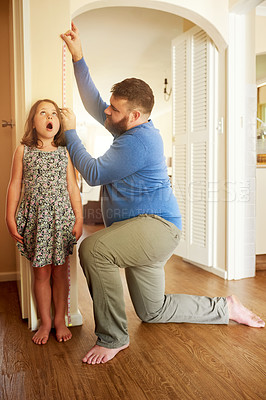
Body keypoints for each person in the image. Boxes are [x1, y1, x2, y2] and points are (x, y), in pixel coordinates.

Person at [60, 23, 265, 365]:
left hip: (155, 228)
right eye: (111, 106)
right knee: (153, 310)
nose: (106, 112)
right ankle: (224, 307)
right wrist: (79, 58)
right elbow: (94, 101)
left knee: (94, 249)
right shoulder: (126, 124)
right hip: (142, 230)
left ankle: (113, 337)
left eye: (115, 110)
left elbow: (93, 173)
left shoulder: (139, 141)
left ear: (135, 115)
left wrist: (70, 133)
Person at [6, 99, 83, 345]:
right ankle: (45, 321)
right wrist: (9, 217)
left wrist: (79, 218)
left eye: (54, 113)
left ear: (58, 123)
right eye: (43, 113)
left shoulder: (65, 152)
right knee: (41, 274)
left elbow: (72, 188)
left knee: (61, 273)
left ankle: (60, 319)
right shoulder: (23, 150)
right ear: (34, 121)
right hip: (35, 220)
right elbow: (14, 185)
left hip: (61, 220)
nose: (49, 116)